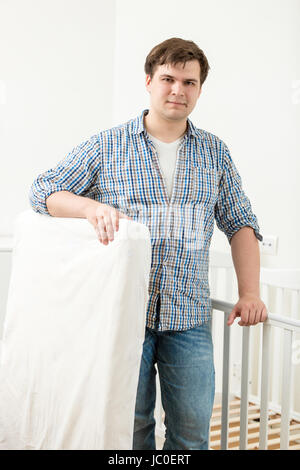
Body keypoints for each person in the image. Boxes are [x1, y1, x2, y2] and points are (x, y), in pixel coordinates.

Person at [29, 37, 268, 450]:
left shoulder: (215, 153)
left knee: (192, 435)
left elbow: (240, 223)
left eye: (189, 82)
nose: (178, 90)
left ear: (199, 89)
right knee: (129, 432)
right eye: (168, 79)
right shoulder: (108, 145)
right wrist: (89, 208)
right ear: (148, 81)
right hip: (123, 315)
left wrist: (250, 293)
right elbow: (43, 191)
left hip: (188, 316)